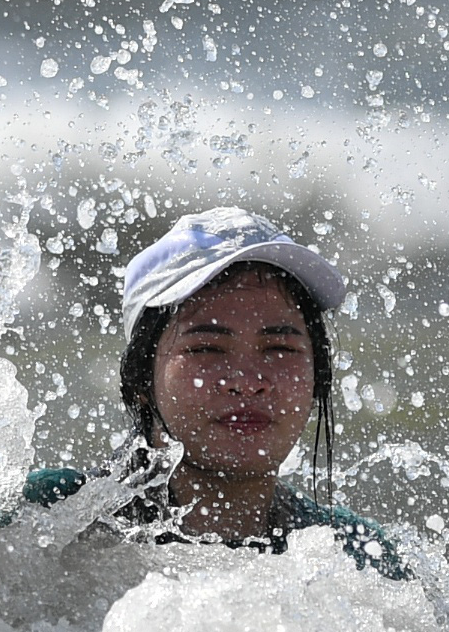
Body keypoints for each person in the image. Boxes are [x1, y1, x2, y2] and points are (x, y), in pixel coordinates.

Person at [24, 207, 408, 578]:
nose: (248, 380)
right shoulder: (53, 515)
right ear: (142, 379)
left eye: (280, 349)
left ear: (317, 378)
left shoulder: (357, 556)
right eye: (207, 348)